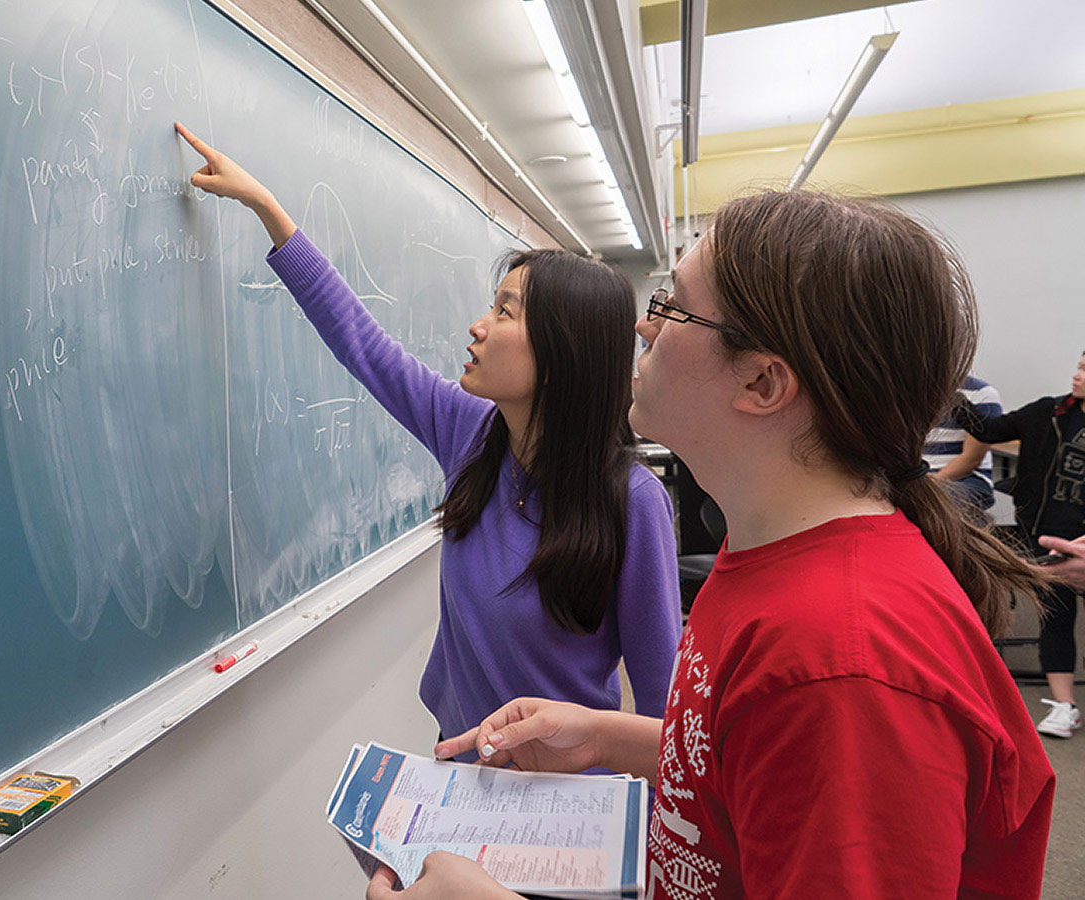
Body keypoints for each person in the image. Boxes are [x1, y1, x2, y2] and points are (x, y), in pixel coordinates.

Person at [371, 190, 1056, 900]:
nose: (642, 325)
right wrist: (610, 737)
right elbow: (738, 761)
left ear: (762, 382)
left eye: (672, 306)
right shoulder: (766, 557)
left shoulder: (841, 667)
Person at [174, 124, 682, 747]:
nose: (478, 326)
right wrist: (268, 210)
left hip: (567, 801)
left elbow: (665, 708)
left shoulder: (631, 502)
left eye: (504, 312)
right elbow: (365, 347)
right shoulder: (473, 434)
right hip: (461, 769)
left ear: (561, 353)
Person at [956, 351, 1085, 738]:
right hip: (1044, 535)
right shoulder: (1046, 412)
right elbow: (988, 428)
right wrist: (949, 393)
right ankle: (1065, 706)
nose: (1077, 375)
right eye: (1079, 365)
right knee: (1056, 618)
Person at [925, 374, 1001, 524]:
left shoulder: (982, 393)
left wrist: (927, 485)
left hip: (966, 479)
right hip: (919, 477)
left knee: (933, 506)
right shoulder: (906, 393)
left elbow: (971, 459)